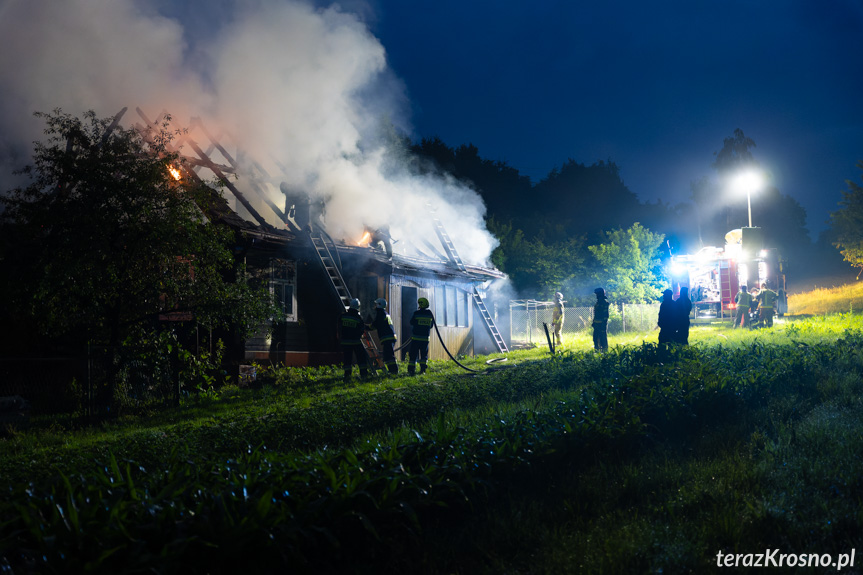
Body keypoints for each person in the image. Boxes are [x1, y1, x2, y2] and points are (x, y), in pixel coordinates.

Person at [339, 298, 370, 382]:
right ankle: (364, 374)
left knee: (347, 359)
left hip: (345, 341)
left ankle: (347, 375)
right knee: (361, 358)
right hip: (356, 341)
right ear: (357, 307)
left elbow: (339, 327)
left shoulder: (343, 316)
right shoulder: (358, 317)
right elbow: (362, 328)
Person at [370, 298, 398, 374]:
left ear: (379, 305)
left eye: (376, 304)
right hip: (390, 337)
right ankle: (392, 370)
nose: (375, 306)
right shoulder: (385, 313)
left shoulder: (380, 314)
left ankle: (394, 371)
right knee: (388, 355)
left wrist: (367, 327)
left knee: (389, 355)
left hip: (387, 337)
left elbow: (376, 324)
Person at [408, 297, 435, 375]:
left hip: (416, 338)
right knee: (423, 355)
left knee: (413, 354)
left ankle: (411, 370)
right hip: (425, 339)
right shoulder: (430, 314)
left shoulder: (416, 313)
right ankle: (423, 370)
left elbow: (411, 322)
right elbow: (431, 325)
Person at [592, 287, 609, 352]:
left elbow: (605, 315)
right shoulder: (598, 303)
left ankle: (604, 351)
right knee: (595, 338)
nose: (596, 296)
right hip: (596, 324)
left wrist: (603, 324)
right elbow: (596, 313)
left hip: (602, 324)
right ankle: (597, 350)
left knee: (603, 338)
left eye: (597, 294)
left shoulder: (604, 303)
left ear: (600, 294)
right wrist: (594, 322)